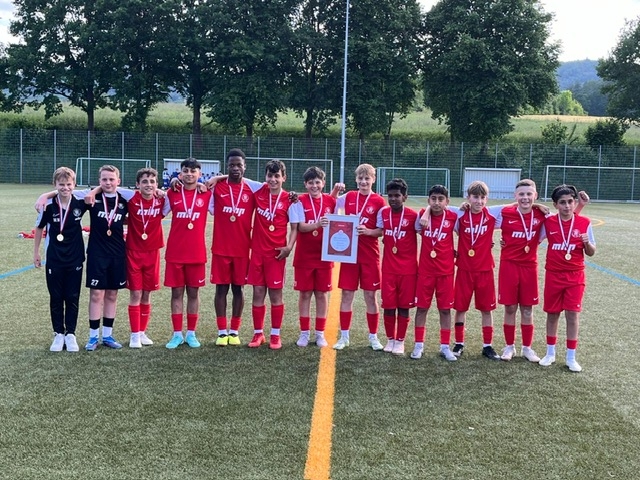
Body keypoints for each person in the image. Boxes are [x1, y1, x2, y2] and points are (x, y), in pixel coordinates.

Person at [539, 184, 595, 372]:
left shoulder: (584, 222)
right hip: (553, 275)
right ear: (555, 205)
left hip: (575, 276)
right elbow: (535, 239)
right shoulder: (549, 222)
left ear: (575, 202)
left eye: (570, 202)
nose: (567, 206)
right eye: (562, 202)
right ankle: (550, 353)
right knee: (552, 314)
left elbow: (592, 252)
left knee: (572, 315)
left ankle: (571, 357)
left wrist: (587, 244)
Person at [245, 160, 301, 350]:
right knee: (258, 293)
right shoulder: (259, 190)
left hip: (277, 255)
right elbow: (239, 177)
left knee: (276, 295)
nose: (273, 180)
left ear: (284, 178)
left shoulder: (290, 199)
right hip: (257, 253)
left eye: (277, 176)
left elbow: (295, 227)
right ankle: (258, 333)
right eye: (270, 175)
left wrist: (289, 247)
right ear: (265, 176)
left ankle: (275, 335)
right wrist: (216, 178)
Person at [33, 167, 88, 352]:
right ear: (55, 185)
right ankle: (58, 333)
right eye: (61, 184)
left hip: (75, 258)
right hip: (54, 258)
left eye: (69, 184)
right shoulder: (48, 205)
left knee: (72, 296)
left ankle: (70, 334)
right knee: (56, 297)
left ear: (74, 185)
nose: (65, 188)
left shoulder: (80, 202)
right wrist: (36, 253)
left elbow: (102, 189)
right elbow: (39, 228)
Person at [333, 163, 386, 351]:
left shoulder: (379, 201)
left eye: (367, 178)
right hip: (349, 255)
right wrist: (335, 190)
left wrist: (368, 231)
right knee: (347, 294)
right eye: (360, 178)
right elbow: (331, 203)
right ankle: (344, 337)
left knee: (370, 296)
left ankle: (373, 337)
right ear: (356, 179)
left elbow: (381, 230)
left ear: (373, 180)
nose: (363, 182)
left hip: (370, 255)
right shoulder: (349, 196)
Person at [163, 158, 213, 349]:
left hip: (196, 253)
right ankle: (177, 334)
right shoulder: (172, 192)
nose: (189, 174)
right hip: (175, 253)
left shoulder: (207, 194)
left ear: (200, 174)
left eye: (193, 171)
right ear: (180, 173)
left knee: (193, 292)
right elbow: (159, 212)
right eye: (186, 171)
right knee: (176, 293)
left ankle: (191, 333)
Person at [210, 149, 255, 346]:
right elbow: (202, 187)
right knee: (221, 289)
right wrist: (217, 178)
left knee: (238, 289)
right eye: (231, 165)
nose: (235, 168)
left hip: (242, 249)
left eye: (239, 165)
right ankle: (222, 332)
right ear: (226, 167)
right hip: (220, 249)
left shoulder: (252, 188)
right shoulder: (216, 187)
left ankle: (234, 331)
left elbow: (273, 186)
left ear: (245, 167)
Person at [411, 185, 459, 361]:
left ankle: (445, 346)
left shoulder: (453, 216)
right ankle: (418, 345)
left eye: (441, 199)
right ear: (428, 200)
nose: (437, 202)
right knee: (422, 308)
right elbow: (415, 229)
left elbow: (465, 231)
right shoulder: (421, 216)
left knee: (445, 310)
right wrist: (427, 211)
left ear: (447, 201)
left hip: (446, 272)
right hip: (425, 271)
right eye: (433, 199)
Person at [293, 166, 339, 348]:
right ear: (305, 184)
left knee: (321, 294)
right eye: (310, 182)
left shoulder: (331, 201)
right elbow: (300, 227)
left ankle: (320, 333)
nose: (314, 186)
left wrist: (337, 190)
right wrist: (318, 224)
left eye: (317, 182)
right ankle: (304, 333)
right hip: (304, 256)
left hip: (325, 256)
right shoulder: (299, 200)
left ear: (323, 183)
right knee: (304, 294)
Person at [375, 178, 418, 356]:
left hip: (408, 270)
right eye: (390, 196)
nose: (393, 199)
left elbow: (428, 231)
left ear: (405, 197)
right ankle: (390, 339)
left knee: (404, 307)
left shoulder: (414, 216)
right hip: (389, 269)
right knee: (389, 306)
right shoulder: (383, 213)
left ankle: (400, 340)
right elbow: (380, 232)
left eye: (397, 196)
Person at [124, 168, 165, 348]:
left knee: (147, 294)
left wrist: (164, 191)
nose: (149, 185)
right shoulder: (131, 198)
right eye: (145, 182)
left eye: (152, 182)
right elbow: (108, 187)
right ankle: (134, 335)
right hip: (133, 252)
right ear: (137, 184)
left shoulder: (162, 200)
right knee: (136, 293)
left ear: (157, 184)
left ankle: (142, 331)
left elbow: (178, 194)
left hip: (153, 252)